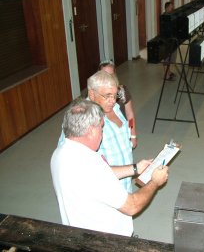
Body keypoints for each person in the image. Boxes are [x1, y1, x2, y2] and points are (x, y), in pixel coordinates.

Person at [51, 99, 168, 237]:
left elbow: (99, 176)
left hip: (80, 235)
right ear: (90, 131)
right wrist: (154, 182)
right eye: (101, 127)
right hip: (108, 241)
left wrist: (135, 168)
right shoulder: (91, 165)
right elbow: (132, 206)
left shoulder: (60, 153)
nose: (102, 132)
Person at [58, 70, 134, 193]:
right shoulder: (80, 118)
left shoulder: (114, 107)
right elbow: (67, 156)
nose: (113, 100)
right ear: (92, 94)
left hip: (124, 185)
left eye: (115, 95)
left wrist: (132, 136)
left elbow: (130, 119)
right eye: (107, 96)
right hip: (103, 189)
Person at [99, 59, 137, 149]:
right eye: (104, 75)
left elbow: (130, 115)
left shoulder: (122, 91)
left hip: (123, 133)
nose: (108, 78)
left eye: (111, 75)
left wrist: (133, 135)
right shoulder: (95, 95)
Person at [163, 1, 177, 81]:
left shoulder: (171, 15)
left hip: (171, 39)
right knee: (166, 58)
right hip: (166, 40)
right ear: (167, 7)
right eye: (171, 7)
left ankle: (169, 71)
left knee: (171, 57)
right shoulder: (164, 17)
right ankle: (166, 75)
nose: (172, 8)